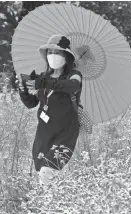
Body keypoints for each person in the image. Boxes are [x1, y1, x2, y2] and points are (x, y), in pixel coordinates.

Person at [18, 35, 82, 186]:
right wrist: (24, 91)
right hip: (44, 131)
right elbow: (32, 103)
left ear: (66, 56)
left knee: (48, 171)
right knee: (43, 174)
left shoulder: (74, 75)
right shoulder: (44, 77)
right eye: (50, 52)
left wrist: (44, 82)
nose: (53, 56)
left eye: (58, 52)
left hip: (65, 132)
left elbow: (72, 86)